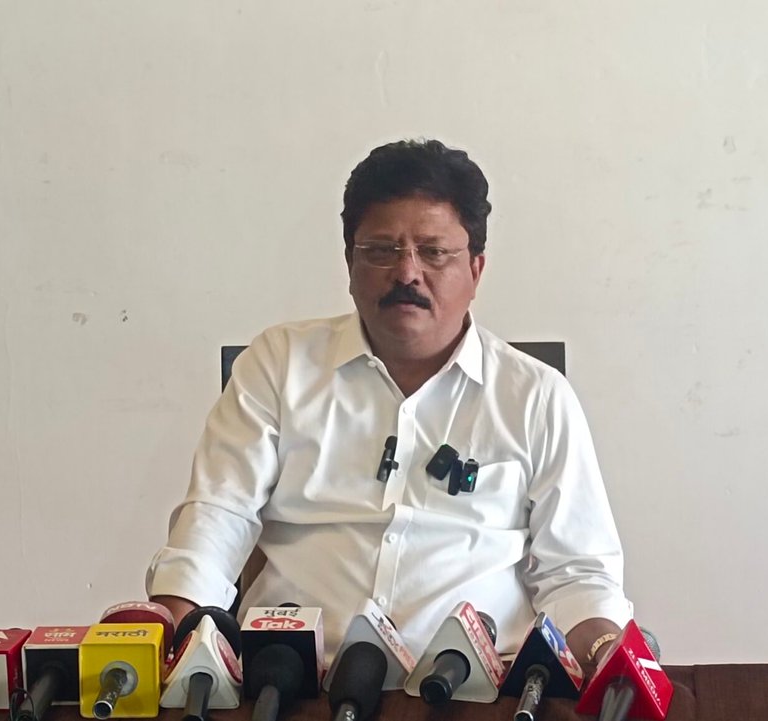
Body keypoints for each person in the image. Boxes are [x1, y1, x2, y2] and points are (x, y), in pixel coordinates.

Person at [146, 138, 631, 672]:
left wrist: (606, 653)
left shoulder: (535, 396)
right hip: (294, 685)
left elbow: (577, 574)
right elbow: (218, 518)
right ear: (349, 263)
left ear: (476, 269)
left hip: (476, 689)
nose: (406, 273)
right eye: (381, 250)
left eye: (433, 252)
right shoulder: (280, 365)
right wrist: (168, 636)